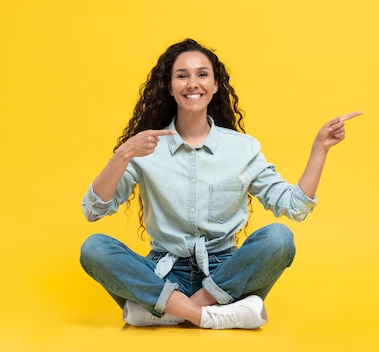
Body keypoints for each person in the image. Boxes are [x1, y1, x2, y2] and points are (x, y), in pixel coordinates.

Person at [79, 38, 361, 330]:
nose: (192, 83)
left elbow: (295, 207)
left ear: (215, 85)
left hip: (227, 273)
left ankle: (169, 311)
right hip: (162, 272)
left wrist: (320, 149)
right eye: (182, 75)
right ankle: (214, 316)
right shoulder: (145, 147)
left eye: (202, 74)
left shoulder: (243, 148)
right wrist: (123, 154)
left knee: (279, 238)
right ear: (170, 87)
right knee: (94, 248)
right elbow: (93, 210)